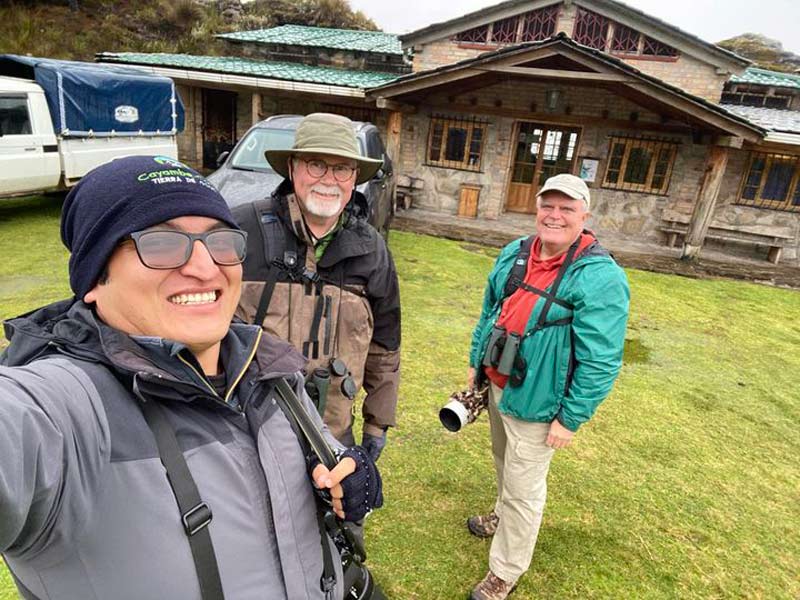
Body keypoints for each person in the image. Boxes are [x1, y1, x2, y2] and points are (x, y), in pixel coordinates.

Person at [0, 156, 383, 600]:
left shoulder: (271, 371)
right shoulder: (66, 408)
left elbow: (326, 460)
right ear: (93, 278)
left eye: (219, 241)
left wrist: (348, 472)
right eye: (162, 243)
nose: (205, 268)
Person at [466, 174, 630, 600]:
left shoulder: (599, 277)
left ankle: (505, 571)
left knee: (524, 488)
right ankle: (500, 518)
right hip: (500, 384)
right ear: (536, 208)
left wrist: (570, 419)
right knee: (504, 462)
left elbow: (601, 359)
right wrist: (475, 364)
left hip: (541, 403)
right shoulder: (515, 253)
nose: (554, 216)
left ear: (584, 215)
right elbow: (490, 309)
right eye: (548, 206)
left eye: (566, 208)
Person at [232, 113, 401, 461]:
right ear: (292, 167)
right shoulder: (240, 231)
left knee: (339, 515)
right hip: (250, 433)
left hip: (334, 436)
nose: (329, 180)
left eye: (342, 169)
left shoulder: (373, 251)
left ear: (354, 178)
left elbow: (386, 348)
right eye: (316, 164)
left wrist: (376, 425)